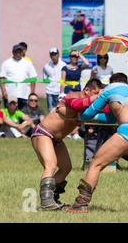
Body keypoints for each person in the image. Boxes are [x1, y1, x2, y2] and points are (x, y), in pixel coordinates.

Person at [66, 73, 128, 213]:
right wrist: (90, 119)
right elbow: (112, 116)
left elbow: (91, 112)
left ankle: (80, 204)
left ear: (112, 82)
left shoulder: (110, 89)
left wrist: (80, 117)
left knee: (96, 164)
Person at [30, 78, 103, 210]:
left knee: (66, 167)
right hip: (43, 133)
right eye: (96, 92)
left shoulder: (89, 105)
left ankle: (53, 198)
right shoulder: (73, 95)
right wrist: (99, 97)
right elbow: (76, 105)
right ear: (87, 90)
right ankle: (46, 202)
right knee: (50, 165)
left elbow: (104, 110)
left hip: (57, 140)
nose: (98, 96)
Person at [0, 44, 37, 110]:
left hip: (24, 95)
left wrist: (32, 92)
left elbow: (33, 78)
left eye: (20, 52)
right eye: (16, 52)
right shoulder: (6, 63)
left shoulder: (27, 63)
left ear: (22, 53)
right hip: (10, 94)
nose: (18, 54)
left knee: (24, 115)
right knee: (10, 115)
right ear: (13, 52)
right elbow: (2, 78)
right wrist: (3, 92)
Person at [42, 47, 67, 113]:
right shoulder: (46, 66)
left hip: (60, 91)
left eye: (55, 54)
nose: (54, 56)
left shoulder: (64, 65)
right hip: (50, 91)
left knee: (61, 111)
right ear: (50, 56)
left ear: (58, 54)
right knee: (51, 111)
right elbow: (44, 78)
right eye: (52, 55)